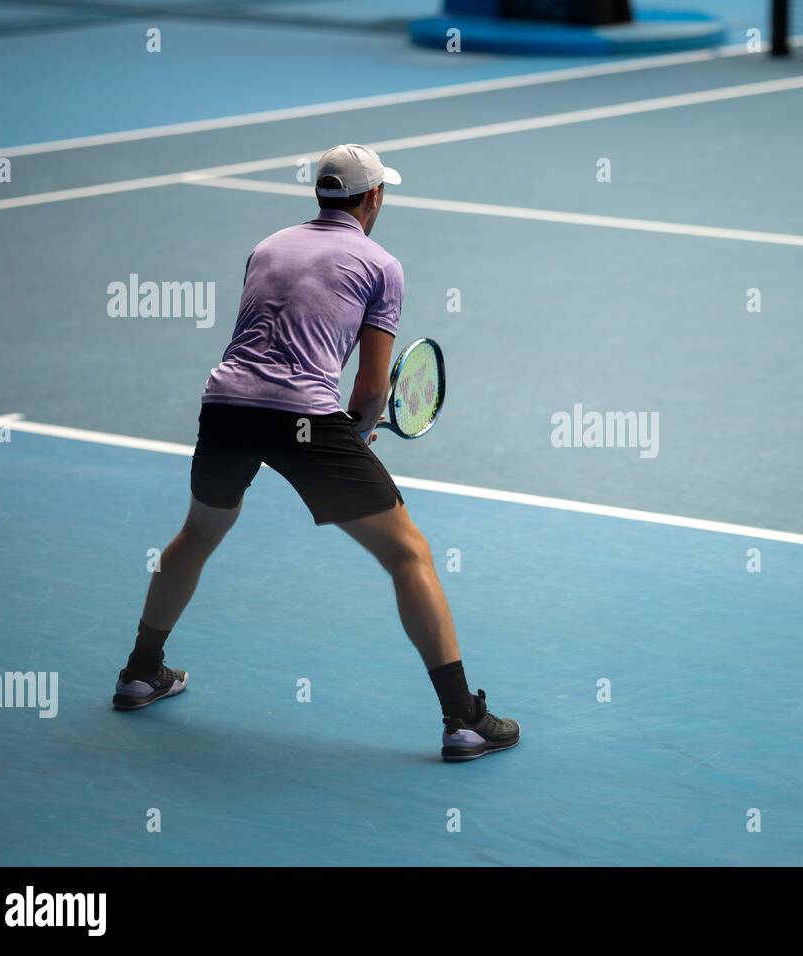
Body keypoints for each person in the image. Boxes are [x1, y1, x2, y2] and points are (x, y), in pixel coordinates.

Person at [112, 144, 519, 762]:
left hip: (224, 404)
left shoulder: (268, 245)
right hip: (302, 416)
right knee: (409, 553)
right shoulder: (381, 264)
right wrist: (354, 427)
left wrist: (342, 422)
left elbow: (266, 338)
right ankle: (463, 719)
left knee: (197, 534)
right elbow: (373, 387)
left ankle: (141, 672)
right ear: (374, 196)